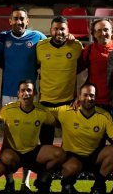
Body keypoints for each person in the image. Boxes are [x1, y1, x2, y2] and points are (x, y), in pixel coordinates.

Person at [52, 82, 113, 194]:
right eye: (85, 95)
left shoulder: (104, 115)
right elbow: (44, 111)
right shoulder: (66, 111)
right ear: (79, 96)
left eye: (92, 95)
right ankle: (67, 184)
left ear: (95, 97)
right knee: (72, 167)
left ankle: (98, 185)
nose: (89, 98)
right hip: (73, 157)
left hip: (94, 156)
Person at [0, 80, 64, 194]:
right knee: (6, 157)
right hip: (13, 153)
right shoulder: (8, 110)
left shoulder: (41, 111)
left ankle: (42, 178)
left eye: (29, 90)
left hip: (32, 152)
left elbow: (59, 124)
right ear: (18, 94)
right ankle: (10, 182)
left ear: (34, 93)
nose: (26, 93)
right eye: (23, 90)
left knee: (59, 154)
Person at [34, 16, 83, 146]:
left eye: (62, 29)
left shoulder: (76, 46)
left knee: (69, 144)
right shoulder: (40, 46)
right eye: (56, 29)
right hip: (46, 103)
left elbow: (82, 69)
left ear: (68, 31)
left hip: (68, 103)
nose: (59, 32)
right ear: (51, 30)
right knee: (46, 143)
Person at [0, 8, 46, 107]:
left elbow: (54, 43)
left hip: (30, 93)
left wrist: (69, 37)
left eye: (22, 19)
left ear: (27, 21)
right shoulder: (2, 37)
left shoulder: (37, 36)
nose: (19, 22)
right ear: (10, 21)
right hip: (8, 92)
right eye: (15, 18)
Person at [79, 18, 113, 109]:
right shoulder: (88, 50)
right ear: (94, 34)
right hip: (96, 101)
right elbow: (76, 72)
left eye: (106, 29)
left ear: (112, 31)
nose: (103, 33)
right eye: (99, 30)